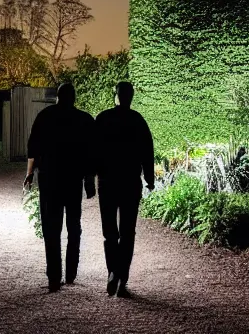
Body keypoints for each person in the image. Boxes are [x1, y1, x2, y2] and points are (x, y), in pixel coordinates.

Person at [24, 83, 95, 292]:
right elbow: (91, 153)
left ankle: (54, 276)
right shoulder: (84, 120)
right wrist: (89, 181)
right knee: (74, 226)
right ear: (74, 98)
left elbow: (32, 149)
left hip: (49, 181)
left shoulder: (44, 116)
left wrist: (29, 174)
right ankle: (71, 272)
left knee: (51, 228)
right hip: (73, 181)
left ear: (57, 97)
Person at [95, 81, 154, 298]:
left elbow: (93, 150)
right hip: (130, 182)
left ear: (116, 96)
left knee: (110, 232)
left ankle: (112, 271)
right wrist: (149, 178)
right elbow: (148, 151)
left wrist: (89, 177)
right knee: (128, 232)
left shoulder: (103, 118)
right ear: (131, 97)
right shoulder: (138, 120)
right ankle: (122, 276)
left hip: (107, 182)